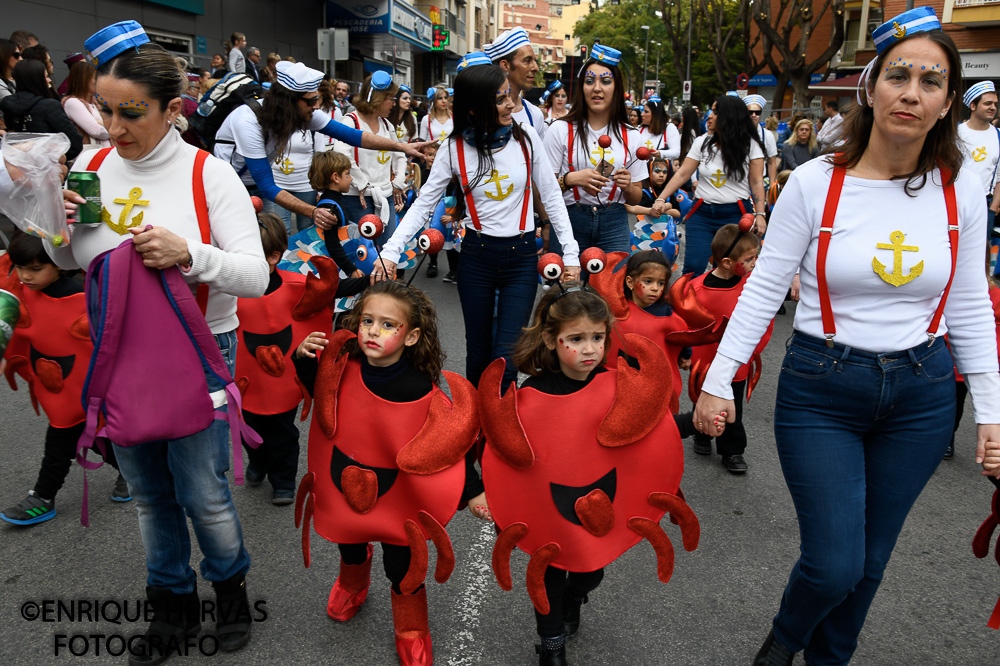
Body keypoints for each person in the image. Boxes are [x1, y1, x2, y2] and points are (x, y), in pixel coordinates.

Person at [693, 8, 1000, 665]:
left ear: (948, 101)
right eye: (899, 76)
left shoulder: (960, 189)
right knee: (834, 564)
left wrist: (990, 413)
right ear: (871, 87)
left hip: (921, 395)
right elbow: (763, 289)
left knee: (871, 564)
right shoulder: (814, 183)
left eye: (932, 81)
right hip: (822, 388)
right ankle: (782, 642)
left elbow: (971, 301)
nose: (912, 92)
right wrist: (719, 381)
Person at [51, 21, 270, 661]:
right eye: (104, 111)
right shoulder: (91, 164)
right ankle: (169, 606)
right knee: (149, 496)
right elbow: (67, 259)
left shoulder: (210, 176)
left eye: (131, 114)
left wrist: (190, 255)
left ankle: (229, 590)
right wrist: (53, 227)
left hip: (201, 356)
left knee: (204, 493)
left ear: (173, 110)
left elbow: (256, 275)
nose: (114, 130)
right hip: (119, 354)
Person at [292, 279, 486, 666]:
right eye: (367, 321)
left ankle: (411, 626)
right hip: (344, 484)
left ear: (412, 336)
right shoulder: (340, 369)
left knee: (403, 563)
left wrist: (473, 490)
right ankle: (352, 582)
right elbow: (316, 390)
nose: (372, 331)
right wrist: (301, 356)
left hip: (399, 497)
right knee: (348, 537)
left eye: (387, 325)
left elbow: (447, 445)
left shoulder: (422, 390)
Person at [374, 62, 580, 389]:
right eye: (500, 99)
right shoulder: (455, 148)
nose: (511, 104)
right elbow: (424, 203)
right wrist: (390, 252)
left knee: (507, 358)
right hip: (477, 257)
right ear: (475, 106)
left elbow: (553, 197)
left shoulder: (525, 138)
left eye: (509, 96)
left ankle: (498, 432)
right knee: (479, 355)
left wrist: (571, 253)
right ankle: (476, 431)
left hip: (522, 257)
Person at [0, 234, 129, 526]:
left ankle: (43, 496)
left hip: (85, 387)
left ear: (59, 264)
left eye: (34, 269)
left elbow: (111, 337)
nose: (25, 276)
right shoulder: (20, 294)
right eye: (20, 268)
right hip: (52, 385)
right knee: (92, 435)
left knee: (62, 438)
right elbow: (14, 334)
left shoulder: (84, 297)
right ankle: (133, 472)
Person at [215, 61, 426, 232]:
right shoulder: (247, 121)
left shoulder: (303, 111)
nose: (316, 106)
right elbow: (267, 186)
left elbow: (356, 137)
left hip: (260, 187)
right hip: (229, 187)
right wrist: (312, 211)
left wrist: (401, 147)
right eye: (311, 100)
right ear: (288, 101)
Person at [543, 44, 644, 256]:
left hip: (614, 223)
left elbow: (635, 198)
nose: (597, 88)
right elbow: (545, 189)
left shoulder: (632, 135)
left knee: (612, 287)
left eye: (605, 81)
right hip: (569, 220)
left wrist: (627, 186)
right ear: (582, 87)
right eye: (589, 81)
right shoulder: (560, 130)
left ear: (616, 88)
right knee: (568, 287)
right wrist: (569, 179)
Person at [688, 223, 773, 473]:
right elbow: (684, 325)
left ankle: (732, 450)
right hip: (703, 362)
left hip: (737, 363)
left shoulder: (751, 288)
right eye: (749, 259)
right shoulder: (696, 289)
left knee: (733, 405)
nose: (754, 263)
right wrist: (685, 354)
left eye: (756, 257)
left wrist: (752, 350)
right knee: (700, 398)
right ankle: (701, 432)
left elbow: (763, 323)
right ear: (726, 262)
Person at [652, 95, 766, 277]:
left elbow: (757, 181)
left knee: (732, 270)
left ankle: (725, 305)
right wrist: (660, 198)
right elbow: (682, 174)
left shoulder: (751, 145)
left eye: (715, 112)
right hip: (702, 214)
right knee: (693, 268)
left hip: (735, 215)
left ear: (728, 116)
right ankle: (687, 305)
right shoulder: (702, 142)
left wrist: (760, 214)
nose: (709, 116)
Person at [333, 72, 408, 262]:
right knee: (363, 253)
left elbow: (400, 154)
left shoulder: (386, 124)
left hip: (386, 197)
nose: (394, 103)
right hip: (358, 200)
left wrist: (398, 181)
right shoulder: (350, 121)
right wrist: (362, 184)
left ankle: (384, 289)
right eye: (391, 99)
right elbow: (342, 155)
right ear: (377, 98)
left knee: (388, 249)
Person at [0, 59, 82, 160]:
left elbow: (12, 136)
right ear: (37, 80)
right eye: (46, 77)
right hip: (49, 167)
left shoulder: (9, 106)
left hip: (19, 166)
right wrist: (56, 157)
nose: (49, 80)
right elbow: (75, 143)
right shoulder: (49, 106)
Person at [956, 80, 1000, 250]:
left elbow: (998, 174)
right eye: (987, 103)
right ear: (973, 106)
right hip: (957, 201)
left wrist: (994, 205)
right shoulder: (956, 133)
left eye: (995, 104)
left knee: (981, 251)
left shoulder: (998, 135)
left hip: (985, 204)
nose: (993, 107)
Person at [310, 150, 367, 276]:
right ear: (336, 177)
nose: (351, 178)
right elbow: (332, 244)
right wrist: (351, 270)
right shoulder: (329, 207)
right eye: (347, 174)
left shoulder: (335, 199)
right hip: (336, 267)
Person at [485, 27, 546, 135]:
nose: (535, 67)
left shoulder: (534, 115)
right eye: (527, 61)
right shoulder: (483, 112)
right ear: (505, 65)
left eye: (534, 61)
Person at [61, 60, 110, 149]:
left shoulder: (95, 102)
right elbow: (96, 131)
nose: (99, 82)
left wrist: (103, 124)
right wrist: (115, 131)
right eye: (95, 78)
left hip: (104, 153)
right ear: (83, 80)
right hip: (91, 155)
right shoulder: (72, 102)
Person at [743, 95, 778, 183]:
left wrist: (772, 186)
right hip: (741, 181)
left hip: (759, 180)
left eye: (757, 112)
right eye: (750, 112)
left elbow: (771, 162)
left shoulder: (767, 135)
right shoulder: (737, 133)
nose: (754, 115)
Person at [639, 96, 681, 163]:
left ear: (655, 114)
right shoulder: (639, 129)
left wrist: (660, 153)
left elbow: (676, 152)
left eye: (646, 111)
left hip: (659, 172)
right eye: (643, 111)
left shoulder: (669, 128)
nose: (642, 114)